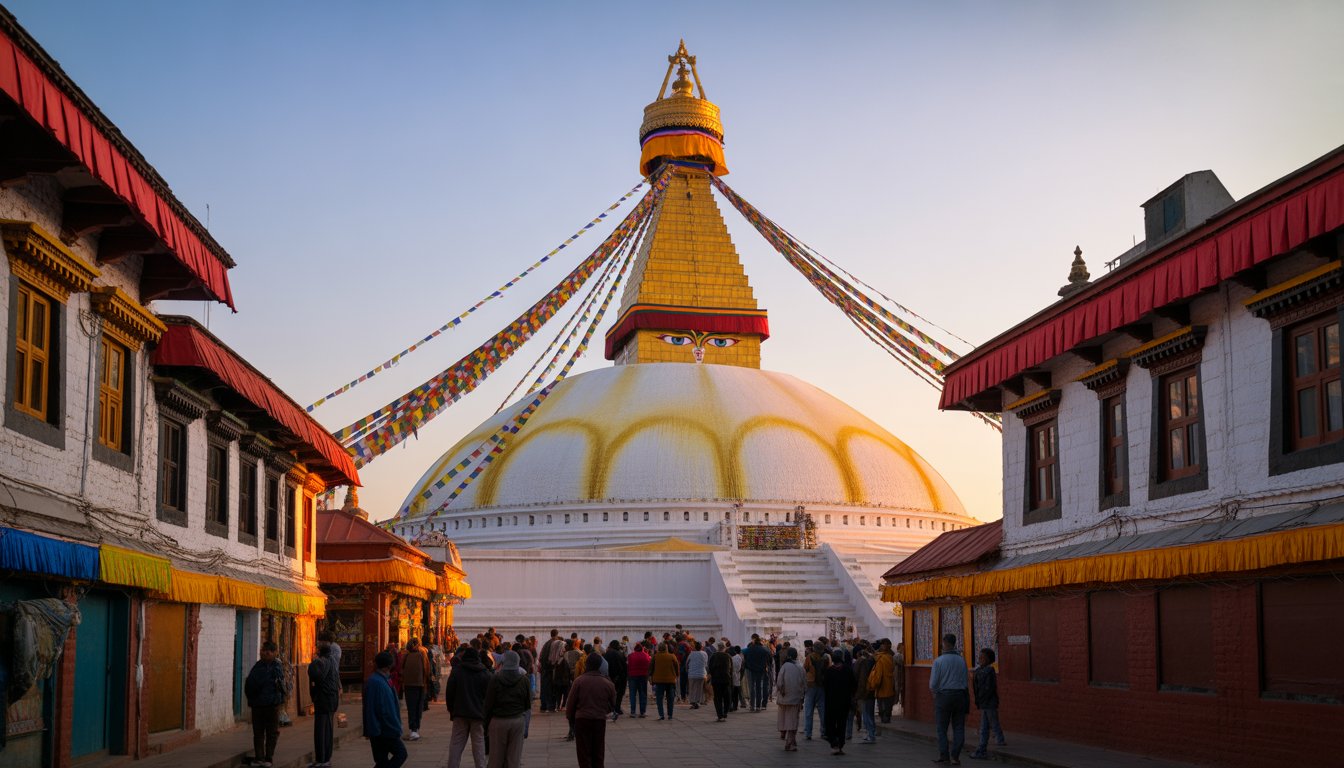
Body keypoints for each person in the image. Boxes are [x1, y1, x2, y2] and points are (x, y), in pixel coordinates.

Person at [566, 652, 617, 768]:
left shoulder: (579, 681)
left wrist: (571, 720)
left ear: (586, 664)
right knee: (598, 752)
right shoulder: (607, 683)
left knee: (584, 753)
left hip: (582, 720)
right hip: (599, 720)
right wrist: (603, 709)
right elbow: (613, 705)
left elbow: (570, 704)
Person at [484, 650, 531, 768]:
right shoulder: (524, 680)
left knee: (495, 759)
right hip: (517, 720)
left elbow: (488, 704)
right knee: (514, 759)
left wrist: (486, 725)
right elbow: (527, 705)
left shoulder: (495, 678)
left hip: (498, 721)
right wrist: (525, 725)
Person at [445, 647, 491, 768]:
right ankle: (480, 766)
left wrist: (452, 710)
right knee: (479, 743)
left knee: (456, 743)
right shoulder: (485, 673)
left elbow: (449, 693)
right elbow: (489, 696)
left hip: (460, 713)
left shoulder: (457, 671)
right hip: (478, 714)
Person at [930, 634, 970, 765]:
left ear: (944, 643)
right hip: (960, 695)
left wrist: (935, 692)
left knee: (942, 728)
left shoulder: (939, 661)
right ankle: (955, 756)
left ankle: (944, 755)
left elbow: (933, 683)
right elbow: (965, 680)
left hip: (944, 696)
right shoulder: (962, 660)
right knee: (959, 727)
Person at [245, 641, 286, 768]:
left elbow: (250, 685)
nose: (264, 653)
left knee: (262, 733)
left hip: (263, 705)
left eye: (267, 651)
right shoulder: (274, 667)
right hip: (269, 705)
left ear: (273, 652)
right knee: (268, 733)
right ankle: (265, 758)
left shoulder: (262, 667)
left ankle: (262, 758)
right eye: (264, 650)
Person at [363, 650, 407, 768]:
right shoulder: (376, 682)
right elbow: (380, 709)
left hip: (382, 728)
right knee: (401, 754)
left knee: (382, 762)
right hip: (383, 729)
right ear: (388, 666)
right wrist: (394, 728)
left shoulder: (382, 680)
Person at [308, 640, 341, 768]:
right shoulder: (333, 661)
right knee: (327, 729)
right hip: (331, 699)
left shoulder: (321, 662)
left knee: (321, 730)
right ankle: (325, 758)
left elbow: (315, 674)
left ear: (319, 652)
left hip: (324, 699)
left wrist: (314, 661)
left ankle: (322, 759)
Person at [968, 648, 1005, 760]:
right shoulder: (980, 670)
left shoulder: (989, 671)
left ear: (989, 660)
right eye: (979, 657)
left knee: (988, 724)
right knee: (988, 723)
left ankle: (984, 748)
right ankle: (996, 740)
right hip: (985, 702)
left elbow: (988, 688)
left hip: (988, 702)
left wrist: (982, 699)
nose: (980, 659)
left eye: (983, 658)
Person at [822, 650, 857, 755]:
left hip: (831, 702)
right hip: (844, 702)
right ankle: (840, 744)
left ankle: (834, 743)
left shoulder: (829, 671)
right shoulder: (848, 670)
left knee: (831, 723)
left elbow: (825, 686)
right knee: (842, 724)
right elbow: (853, 685)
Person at [774, 647, 805, 751]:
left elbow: (779, 682)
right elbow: (804, 685)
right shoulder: (800, 667)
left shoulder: (784, 666)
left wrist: (781, 691)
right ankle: (790, 742)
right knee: (793, 720)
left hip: (783, 698)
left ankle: (786, 736)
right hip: (795, 699)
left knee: (784, 719)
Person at [399, 638, 430, 740]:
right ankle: (415, 728)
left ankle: (413, 728)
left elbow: (401, 670)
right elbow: (427, 669)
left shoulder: (406, 655)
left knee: (411, 707)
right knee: (418, 707)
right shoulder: (422, 655)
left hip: (408, 685)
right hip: (419, 685)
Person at [802, 639, 829, 740]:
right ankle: (824, 731)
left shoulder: (810, 657)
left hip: (811, 685)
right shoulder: (826, 658)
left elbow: (805, 668)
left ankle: (808, 732)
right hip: (822, 686)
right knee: (822, 710)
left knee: (809, 710)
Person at [853, 643, 878, 744]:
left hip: (863, 691)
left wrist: (858, 693)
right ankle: (871, 733)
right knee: (870, 713)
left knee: (866, 714)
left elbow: (858, 678)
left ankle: (870, 735)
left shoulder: (860, 662)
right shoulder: (873, 660)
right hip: (871, 689)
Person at [869, 638, 897, 725]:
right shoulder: (891, 657)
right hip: (890, 684)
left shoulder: (879, 658)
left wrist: (874, 684)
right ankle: (887, 717)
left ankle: (884, 718)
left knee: (882, 703)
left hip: (881, 685)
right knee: (888, 703)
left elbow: (878, 674)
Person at [650, 641, 680, 721]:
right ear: (666, 648)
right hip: (670, 680)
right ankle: (670, 715)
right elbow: (677, 667)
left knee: (659, 698)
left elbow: (651, 668)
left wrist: (651, 677)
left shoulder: (655, 656)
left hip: (659, 681)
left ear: (659, 649)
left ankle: (661, 715)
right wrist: (677, 675)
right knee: (670, 698)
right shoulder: (672, 656)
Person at [743, 637, 772, 712]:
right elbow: (769, 660)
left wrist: (749, 666)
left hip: (752, 670)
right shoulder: (764, 650)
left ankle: (752, 706)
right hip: (761, 670)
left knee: (752, 687)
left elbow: (746, 658)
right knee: (759, 687)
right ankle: (758, 706)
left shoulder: (750, 649)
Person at [707, 642, 734, 722]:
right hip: (726, 679)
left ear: (718, 648)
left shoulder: (713, 656)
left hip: (716, 680)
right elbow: (731, 669)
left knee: (718, 698)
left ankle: (720, 715)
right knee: (726, 697)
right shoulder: (728, 656)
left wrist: (712, 675)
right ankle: (725, 712)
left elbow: (710, 668)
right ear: (724, 648)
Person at [603, 640, 627, 721]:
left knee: (610, 694)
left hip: (609, 677)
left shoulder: (607, 654)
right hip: (619, 678)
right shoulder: (619, 654)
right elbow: (624, 667)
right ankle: (617, 708)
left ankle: (610, 708)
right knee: (619, 694)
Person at [625, 641, 650, 718]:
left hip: (632, 677)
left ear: (635, 649)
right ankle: (642, 712)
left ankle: (633, 712)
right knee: (642, 694)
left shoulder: (630, 656)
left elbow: (627, 666)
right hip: (643, 676)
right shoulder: (646, 656)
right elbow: (649, 666)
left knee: (632, 694)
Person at [685, 641, 708, 709]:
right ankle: (698, 701)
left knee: (692, 688)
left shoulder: (691, 654)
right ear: (701, 647)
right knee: (699, 689)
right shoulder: (704, 654)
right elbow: (706, 664)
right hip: (701, 674)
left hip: (692, 674)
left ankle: (693, 702)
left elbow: (687, 663)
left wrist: (687, 670)